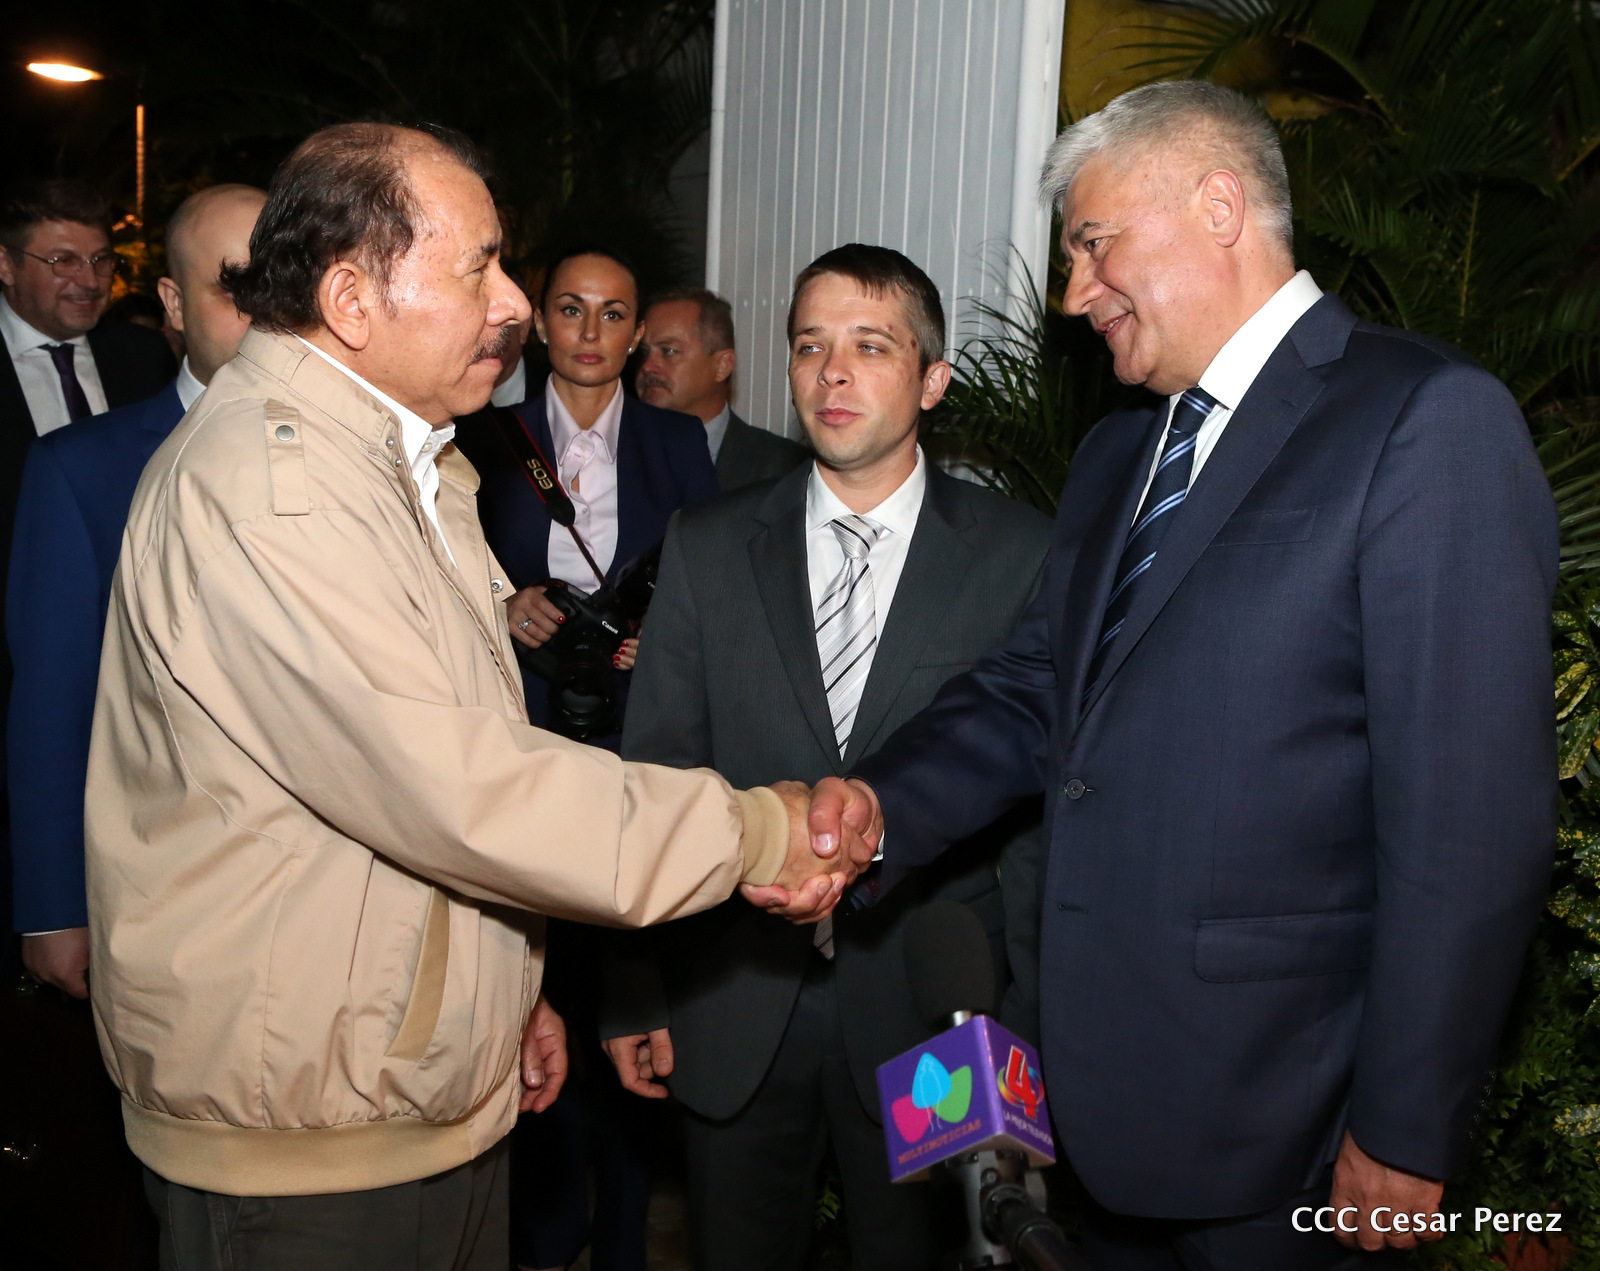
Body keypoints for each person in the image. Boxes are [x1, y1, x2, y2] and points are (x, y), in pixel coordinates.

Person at [799, 81, 1560, 1268]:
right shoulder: (1117, 453)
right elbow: (1034, 689)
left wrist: (1405, 1122)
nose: (1073, 293)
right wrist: (878, 804)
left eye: (1093, 243)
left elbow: (1470, 818)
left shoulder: (1422, 418)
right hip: (1100, 1105)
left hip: (1290, 1123)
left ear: (1217, 206)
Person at [87, 122, 868, 1271]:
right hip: (309, 1153)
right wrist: (757, 828)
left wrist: (501, 996)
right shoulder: (277, 491)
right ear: (352, 299)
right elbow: (460, 789)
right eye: (479, 268)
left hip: (394, 1097)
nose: (512, 304)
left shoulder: (402, 466)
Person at [601, 244, 1051, 1271]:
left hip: (937, 1025)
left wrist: (1025, 1031)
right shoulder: (709, 542)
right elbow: (651, 778)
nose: (833, 372)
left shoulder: (1020, 554)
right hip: (731, 1002)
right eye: (810, 346)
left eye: (870, 346)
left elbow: (1035, 820)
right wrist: (633, 990)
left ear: (932, 380)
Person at [453, 249, 720, 1271]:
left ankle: (623, 1234)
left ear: (637, 331)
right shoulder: (485, 435)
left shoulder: (675, 440)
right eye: (571, 308)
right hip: (521, 727)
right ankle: (542, 1220)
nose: (591, 331)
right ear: (539, 321)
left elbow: (706, 567)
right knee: (536, 979)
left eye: (613, 313)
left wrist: (665, 635)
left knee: (633, 976)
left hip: (635, 734)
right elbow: (444, 572)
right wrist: (504, 601)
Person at [11, 182, 265, 993]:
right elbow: (52, 700)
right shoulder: (80, 469)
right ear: (174, 304)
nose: (266, 313)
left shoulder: (369, 458)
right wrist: (53, 904)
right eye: (236, 287)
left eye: (284, 283)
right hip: (163, 895)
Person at [635, 286, 809, 489]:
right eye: (643, 352)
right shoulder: (613, 450)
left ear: (722, 366)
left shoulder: (785, 467)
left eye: (669, 351)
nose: (647, 366)